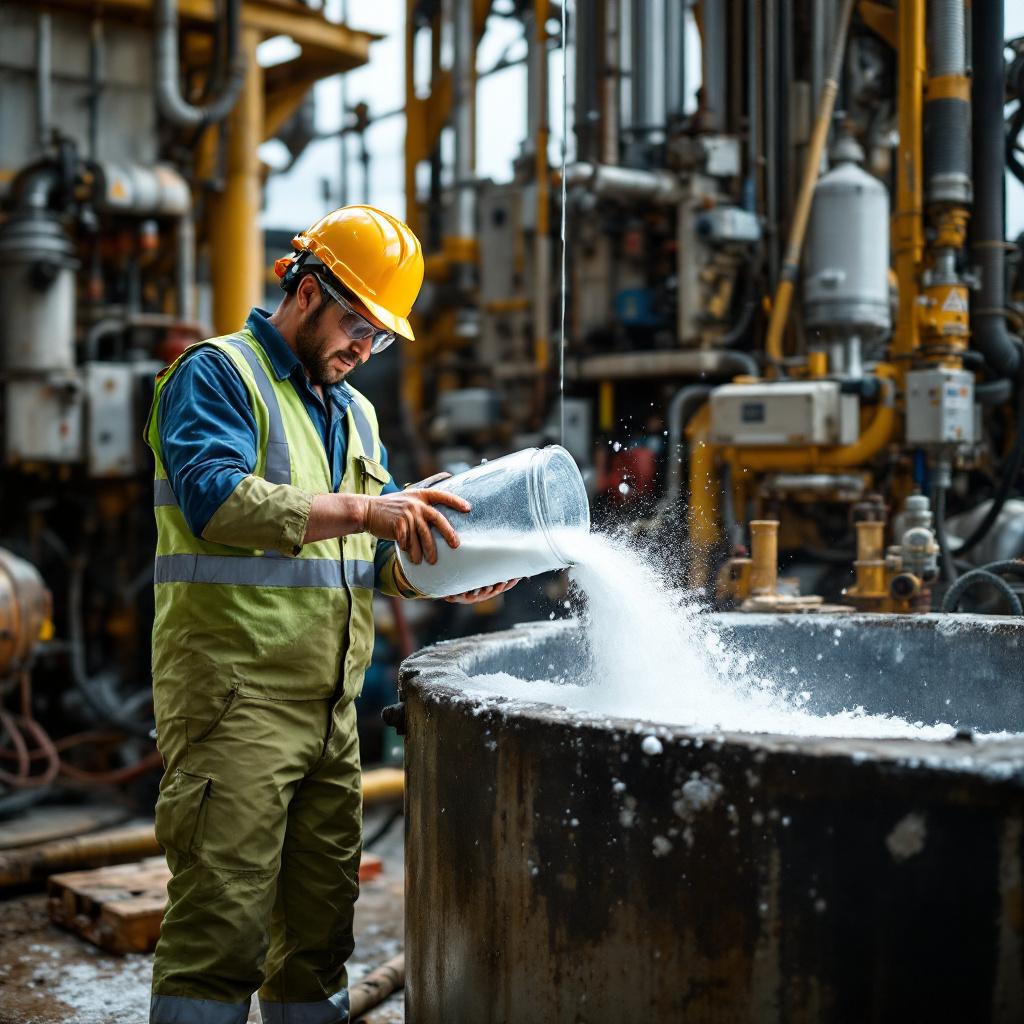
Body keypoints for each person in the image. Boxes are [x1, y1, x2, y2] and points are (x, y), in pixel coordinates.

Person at [146, 205, 515, 1024]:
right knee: (219, 935)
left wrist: (446, 578)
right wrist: (367, 511)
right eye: (358, 324)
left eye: (380, 338)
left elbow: (368, 551)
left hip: (329, 712)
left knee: (318, 938)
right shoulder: (218, 374)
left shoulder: (354, 412)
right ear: (307, 291)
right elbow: (216, 503)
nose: (364, 349)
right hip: (235, 704)